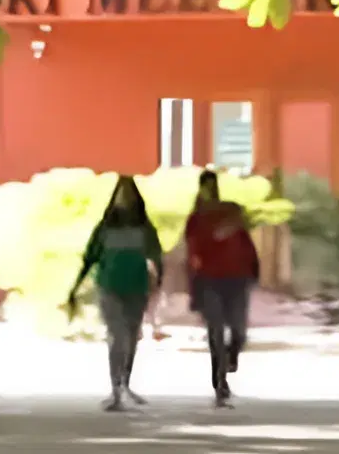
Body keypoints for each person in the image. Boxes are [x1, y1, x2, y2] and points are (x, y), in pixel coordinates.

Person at [67, 176, 163, 410]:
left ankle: (125, 384)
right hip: (110, 287)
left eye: (129, 194)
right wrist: (75, 287)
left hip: (137, 288)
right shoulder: (105, 228)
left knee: (131, 338)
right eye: (121, 194)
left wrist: (158, 281)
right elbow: (90, 257)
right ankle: (116, 389)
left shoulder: (144, 228)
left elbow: (157, 256)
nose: (125, 200)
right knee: (117, 336)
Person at [179, 170, 261, 406]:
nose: (209, 190)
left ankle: (231, 356)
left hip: (237, 278)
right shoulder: (196, 219)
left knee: (238, 331)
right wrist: (193, 284)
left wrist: (254, 269)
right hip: (209, 280)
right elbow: (192, 252)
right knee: (215, 331)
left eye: (212, 185)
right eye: (205, 186)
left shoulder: (230, 211)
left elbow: (246, 242)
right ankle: (220, 381)